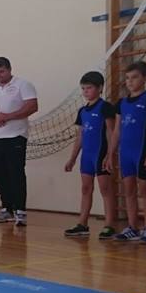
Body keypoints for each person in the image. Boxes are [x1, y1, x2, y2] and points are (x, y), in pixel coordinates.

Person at [0, 57, 38, 227]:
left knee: (16, 174)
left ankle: (20, 210)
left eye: (2, 71)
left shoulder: (22, 85)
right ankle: (7, 208)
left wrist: (8, 116)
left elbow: (32, 106)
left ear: (9, 69)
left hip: (16, 136)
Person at [105, 61, 146, 244]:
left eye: (134, 77)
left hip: (142, 150)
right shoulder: (121, 103)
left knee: (145, 189)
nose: (130, 81)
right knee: (128, 190)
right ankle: (132, 227)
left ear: (145, 78)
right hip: (125, 153)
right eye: (127, 78)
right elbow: (117, 131)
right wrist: (110, 154)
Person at [63, 72, 117, 239]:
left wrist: (110, 155)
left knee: (105, 189)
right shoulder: (82, 111)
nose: (86, 91)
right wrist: (72, 158)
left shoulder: (105, 107)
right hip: (87, 156)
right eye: (83, 88)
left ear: (100, 88)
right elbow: (80, 136)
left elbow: (111, 132)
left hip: (101, 154)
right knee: (86, 188)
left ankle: (109, 225)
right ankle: (82, 224)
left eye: (89, 88)